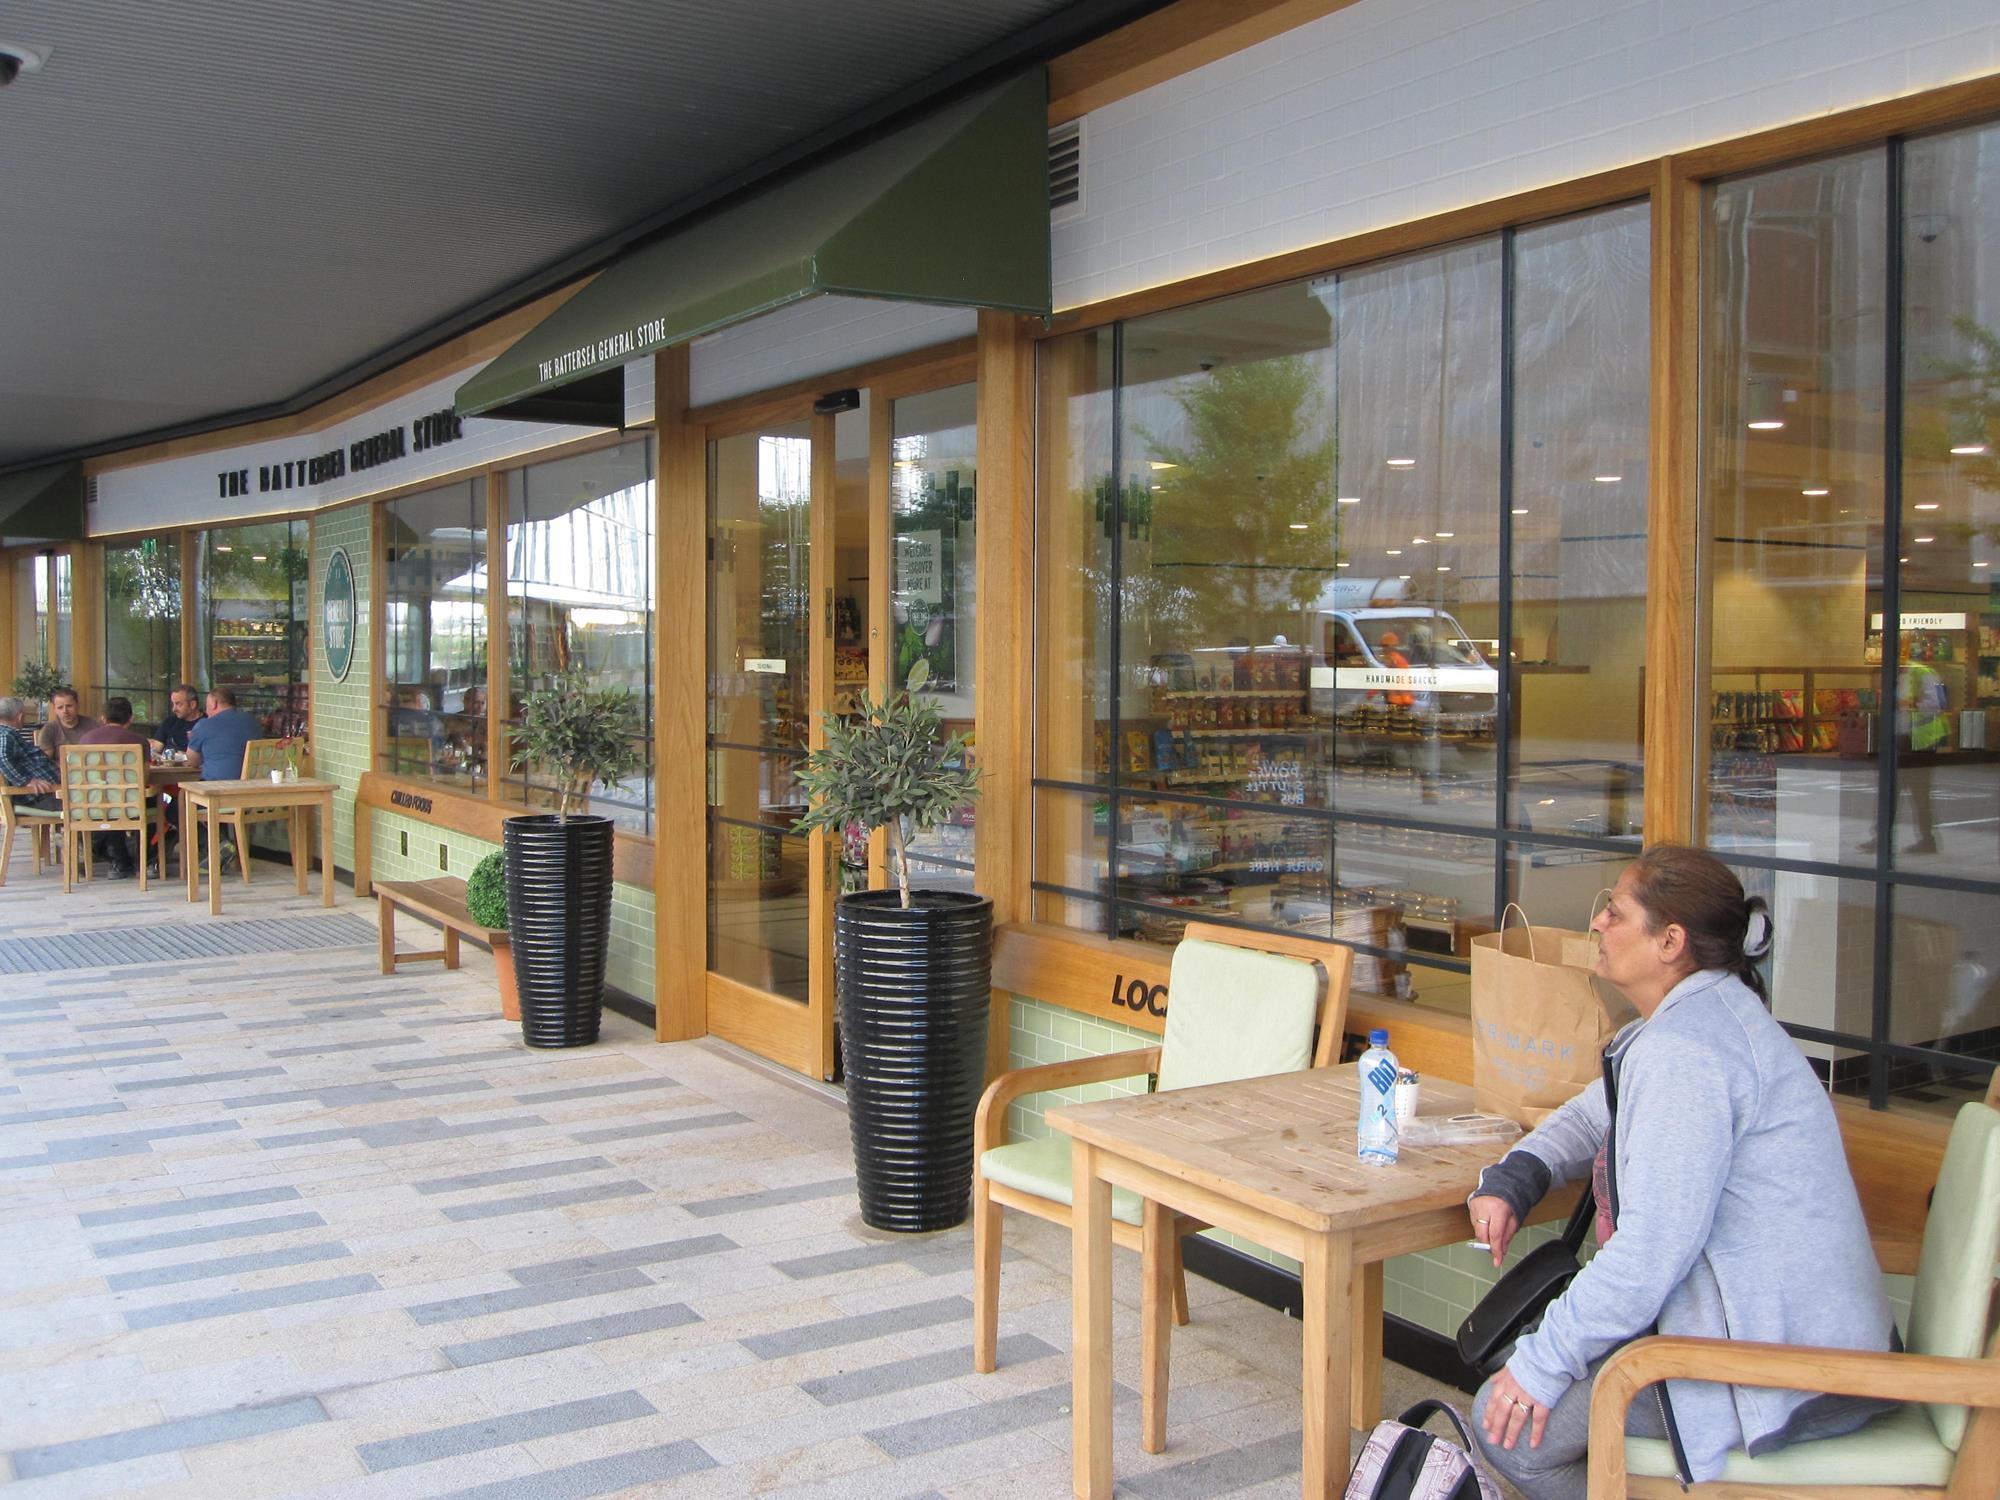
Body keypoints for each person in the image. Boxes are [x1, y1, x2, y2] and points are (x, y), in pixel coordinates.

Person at [1465, 844, 1893, 1496]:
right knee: (1531, 1384)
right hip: (1781, 1345)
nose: (1599, 923)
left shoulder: (1687, 1051)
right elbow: (1593, 1113)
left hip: (1784, 1374)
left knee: (1507, 1430)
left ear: (1671, 941)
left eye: (1615, 911)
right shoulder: (1691, 1020)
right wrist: (1520, 1173)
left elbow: (1651, 1251)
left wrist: (1542, 1364)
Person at [78, 696, 149, 877]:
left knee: (110, 801)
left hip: (91, 806)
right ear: (130, 718)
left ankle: (120, 860)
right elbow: (145, 779)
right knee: (160, 802)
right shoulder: (139, 741)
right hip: (130, 806)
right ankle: (148, 858)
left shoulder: (85, 740)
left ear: (103, 717)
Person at [185, 686, 260, 782]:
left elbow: (193, 761)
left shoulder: (204, 725)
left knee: (183, 792)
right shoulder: (253, 722)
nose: (206, 712)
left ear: (214, 704)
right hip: (250, 786)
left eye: (207, 707)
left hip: (215, 787)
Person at [0, 695, 62, 810]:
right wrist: (25, 781)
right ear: (20, 716)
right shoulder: (6, 735)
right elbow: (1, 757)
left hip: (47, 793)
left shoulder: (7, 734)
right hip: (40, 797)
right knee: (88, 806)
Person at [35, 687, 98, 762]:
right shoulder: (48, 729)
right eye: (60, 707)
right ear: (54, 709)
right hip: (59, 771)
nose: (65, 711)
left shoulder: (92, 725)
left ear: (77, 705)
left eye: (69, 706)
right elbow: (45, 761)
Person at [152, 683, 204, 754]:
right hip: (167, 764)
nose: (174, 709)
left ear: (192, 704)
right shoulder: (170, 722)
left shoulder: (206, 724)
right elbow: (155, 749)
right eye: (173, 704)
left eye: (178, 704)